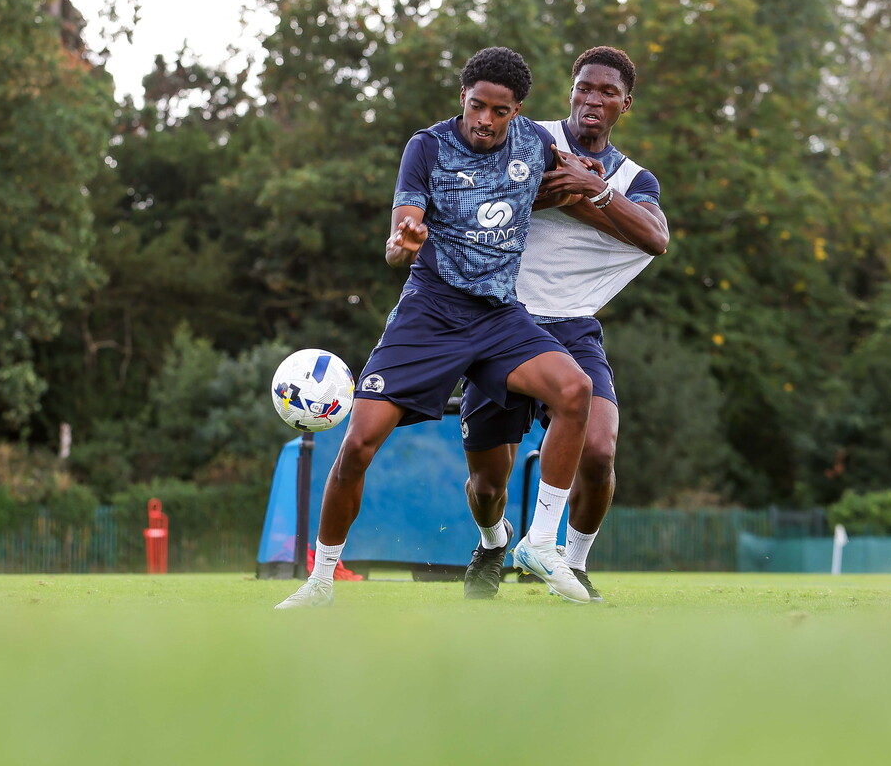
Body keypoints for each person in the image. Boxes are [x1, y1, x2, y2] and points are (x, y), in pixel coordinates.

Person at [276, 46, 603, 608]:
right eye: (477, 106)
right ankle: (321, 581)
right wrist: (403, 241)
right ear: (463, 99)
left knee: (576, 390)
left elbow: (581, 175)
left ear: (517, 111)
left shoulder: (535, 146)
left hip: (499, 315)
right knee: (358, 443)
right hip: (431, 311)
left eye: (500, 112)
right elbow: (401, 229)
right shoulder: (426, 147)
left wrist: (590, 177)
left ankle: (541, 543)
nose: (486, 120)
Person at [461, 46, 670, 603]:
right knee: (488, 484)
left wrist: (592, 188)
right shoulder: (531, 135)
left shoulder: (634, 176)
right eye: (584, 87)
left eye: (606, 91)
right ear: (570, 90)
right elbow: (495, 192)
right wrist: (585, 195)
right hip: (500, 319)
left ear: (625, 102)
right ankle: (492, 541)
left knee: (600, 452)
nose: (592, 99)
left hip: (573, 327)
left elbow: (654, 237)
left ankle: (569, 564)